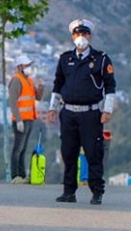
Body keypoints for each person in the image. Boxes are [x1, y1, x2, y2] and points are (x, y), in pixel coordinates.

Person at [47, 19, 116, 205]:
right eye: (77, 34)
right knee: (68, 153)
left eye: (84, 34)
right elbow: (57, 84)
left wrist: (107, 110)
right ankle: (69, 192)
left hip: (91, 114)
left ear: (90, 36)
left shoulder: (101, 59)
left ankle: (97, 191)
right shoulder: (65, 59)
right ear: (72, 37)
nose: (81, 37)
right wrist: (52, 108)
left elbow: (110, 86)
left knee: (94, 153)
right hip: (68, 113)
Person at [7, 55, 44, 184]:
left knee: (23, 148)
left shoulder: (29, 80)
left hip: (29, 119)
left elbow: (37, 97)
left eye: (29, 65)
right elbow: (12, 102)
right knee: (18, 148)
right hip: (21, 120)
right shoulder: (16, 80)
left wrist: (41, 87)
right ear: (19, 67)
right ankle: (15, 175)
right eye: (26, 65)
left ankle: (22, 175)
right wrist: (18, 120)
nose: (29, 67)